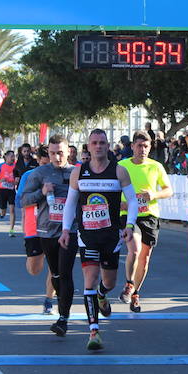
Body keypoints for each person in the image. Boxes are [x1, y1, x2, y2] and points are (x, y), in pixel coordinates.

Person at [60, 129, 138, 351]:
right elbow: (69, 204)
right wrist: (66, 230)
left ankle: (103, 295)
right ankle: (93, 330)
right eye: (94, 143)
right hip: (87, 236)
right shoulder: (79, 173)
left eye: (102, 142)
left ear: (107, 144)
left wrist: (129, 226)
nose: (98, 146)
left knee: (109, 282)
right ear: (88, 146)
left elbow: (132, 201)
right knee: (89, 280)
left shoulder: (119, 171)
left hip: (111, 236)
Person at [22, 137, 79, 335]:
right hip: (46, 231)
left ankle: (63, 318)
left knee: (65, 273)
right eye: (53, 153)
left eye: (60, 152)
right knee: (55, 273)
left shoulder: (76, 172)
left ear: (69, 151)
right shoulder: (39, 173)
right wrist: (42, 192)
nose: (56, 156)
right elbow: (24, 200)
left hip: (70, 230)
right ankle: (60, 308)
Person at [117, 130, 173, 313]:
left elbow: (168, 190)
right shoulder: (121, 166)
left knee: (145, 257)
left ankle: (136, 292)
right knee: (134, 248)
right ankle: (128, 283)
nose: (142, 149)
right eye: (139, 145)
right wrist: (122, 203)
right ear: (132, 146)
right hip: (128, 215)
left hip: (149, 215)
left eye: (146, 146)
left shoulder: (155, 166)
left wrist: (153, 194)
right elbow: (111, 190)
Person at [16, 146, 56, 313]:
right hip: (34, 225)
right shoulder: (29, 176)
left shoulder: (61, 174)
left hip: (56, 225)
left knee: (56, 266)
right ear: (39, 161)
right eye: (44, 163)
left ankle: (49, 300)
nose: (47, 166)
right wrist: (42, 193)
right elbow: (22, 201)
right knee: (34, 269)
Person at [0, 150, 18, 236]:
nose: (13, 158)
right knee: (3, 210)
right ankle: (1, 213)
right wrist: (0, 180)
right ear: (6, 157)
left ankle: (11, 230)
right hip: (2, 190)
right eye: (11, 156)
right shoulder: (1, 166)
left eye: (13, 156)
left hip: (11, 190)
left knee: (12, 210)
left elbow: (19, 177)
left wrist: (17, 181)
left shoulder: (16, 167)